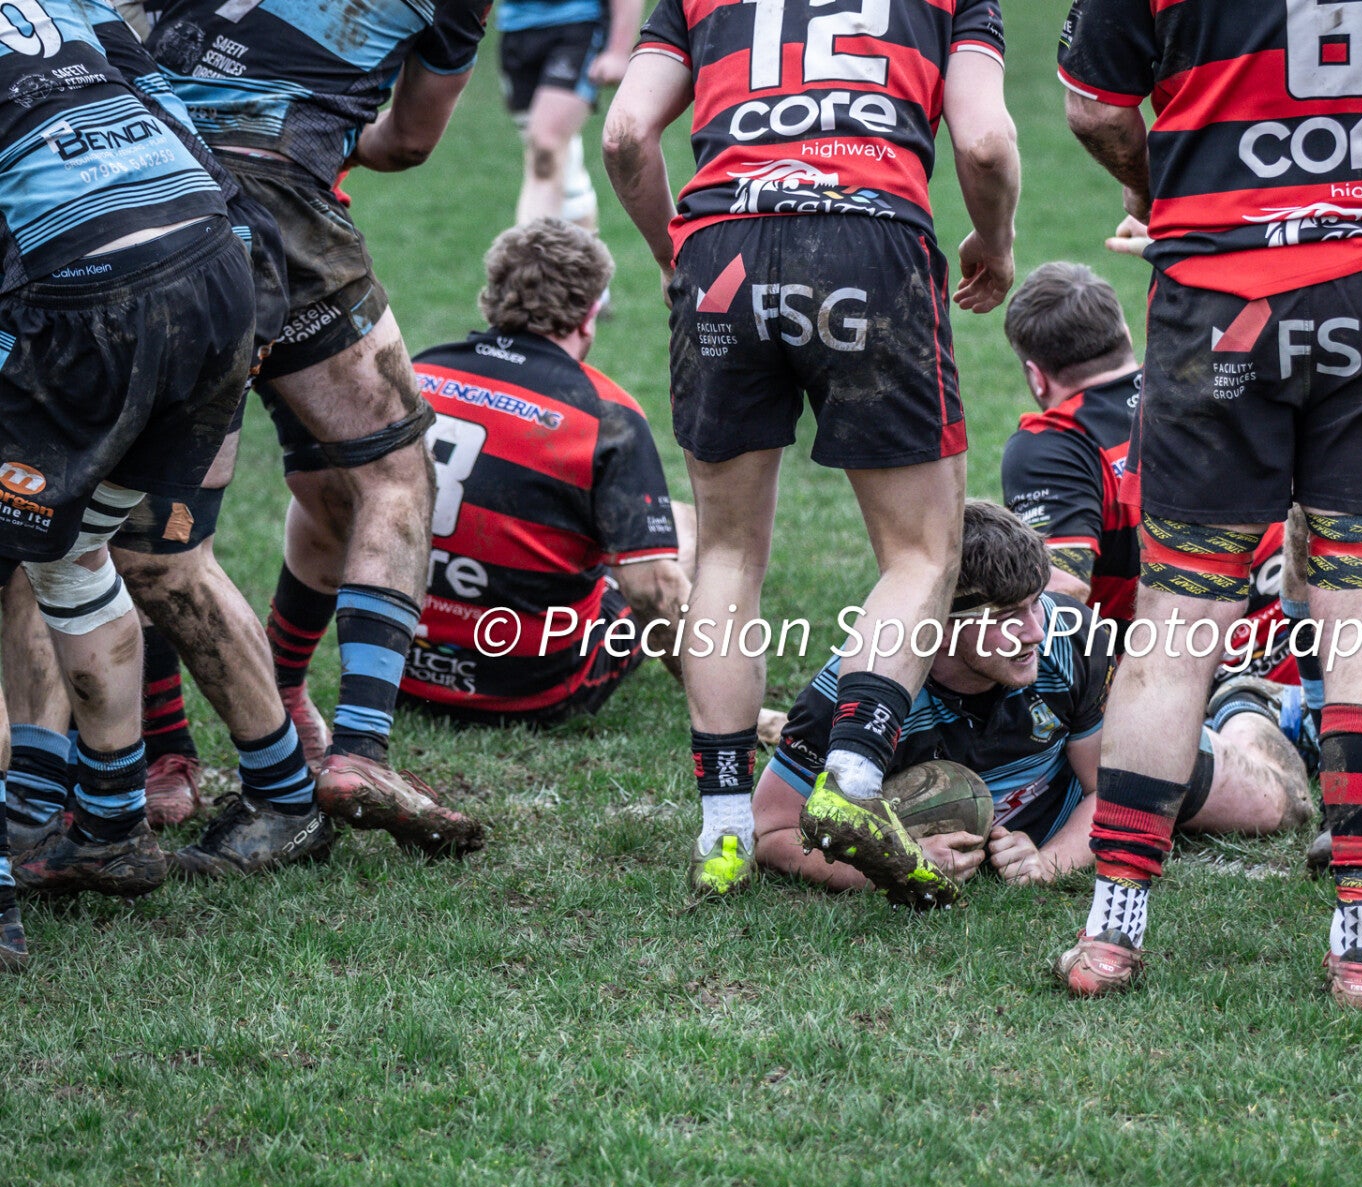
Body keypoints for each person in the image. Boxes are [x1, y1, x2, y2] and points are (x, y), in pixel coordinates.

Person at [1051, 0, 1362, 1007]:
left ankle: (1111, 935)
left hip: (1219, 292)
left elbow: (1092, 109)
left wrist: (1173, 193)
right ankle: (1359, 946)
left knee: (1176, 620)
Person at [602, 0, 1019, 906]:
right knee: (918, 554)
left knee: (724, 550)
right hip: (869, 238)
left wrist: (678, 254)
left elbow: (627, 133)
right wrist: (995, 237)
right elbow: (984, 144)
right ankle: (854, 781)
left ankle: (723, 832)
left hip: (724, 243)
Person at [146, 0, 492, 855]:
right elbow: (409, 139)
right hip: (280, 201)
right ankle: (359, 749)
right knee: (393, 469)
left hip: (142, 190)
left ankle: (161, 761)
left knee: (153, 520)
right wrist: (339, 141)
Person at [0, 0, 261, 968]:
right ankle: (109, 830)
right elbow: (173, 112)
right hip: (215, 273)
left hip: (89, 296)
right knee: (71, 556)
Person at [754, 503, 1313, 895]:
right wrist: (893, 865)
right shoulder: (853, 691)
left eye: (1035, 603)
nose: (1033, 630)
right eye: (1005, 617)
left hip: (1074, 790)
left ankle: (1242, 705)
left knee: (1280, 806)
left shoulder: (1071, 638)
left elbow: (1108, 788)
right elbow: (772, 831)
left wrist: (1049, 862)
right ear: (937, 624)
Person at [400, 219, 692, 725]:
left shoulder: (418, 373)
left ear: (490, 297)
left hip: (399, 672)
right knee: (682, 530)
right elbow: (654, 590)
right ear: (588, 315)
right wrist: (723, 705)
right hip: (533, 689)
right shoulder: (606, 417)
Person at [1000, 262, 1144, 624]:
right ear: (1125, 335)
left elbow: (1063, 592)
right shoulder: (1197, 390)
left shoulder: (1053, 445)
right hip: (1287, 654)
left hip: (1158, 669)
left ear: (1037, 378)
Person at [497, 0, 640, 227]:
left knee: (546, 148)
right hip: (514, 27)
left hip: (577, 25)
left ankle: (534, 256)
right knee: (550, 155)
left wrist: (619, 51)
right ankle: (584, 257)